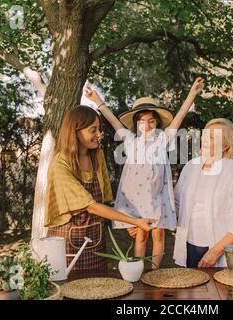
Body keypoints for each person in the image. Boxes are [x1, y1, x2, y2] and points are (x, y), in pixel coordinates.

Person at [85, 78, 204, 268]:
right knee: (140, 235)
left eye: (150, 121)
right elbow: (113, 120)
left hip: (158, 197)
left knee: (158, 235)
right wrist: (97, 101)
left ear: (156, 123)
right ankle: (139, 271)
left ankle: (155, 271)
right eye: (141, 122)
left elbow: (180, 117)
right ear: (136, 124)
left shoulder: (162, 139)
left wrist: (192, 94)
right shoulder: (131, 141)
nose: (146, 126)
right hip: (138, 201)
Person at [44, 105, 154, 271]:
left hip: (96, 237)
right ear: (75, 131)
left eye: (99, 129)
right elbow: (91, 206)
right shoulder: (60, 165)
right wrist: (134, 221)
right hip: (67, 242)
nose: (99, 135)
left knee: (98, 287)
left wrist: (129, 222)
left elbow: (106, 201)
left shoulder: (97, 156)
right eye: (93, 130)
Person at [173, 118, 233, 268]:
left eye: (211, 137)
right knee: (188, 290)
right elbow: (176, 204)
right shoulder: (191, 167)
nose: (204, 140)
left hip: (218, 251)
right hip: (187, 247)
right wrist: (145, 221)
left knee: (217, 291)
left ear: (225, 146)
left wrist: (215, 252)